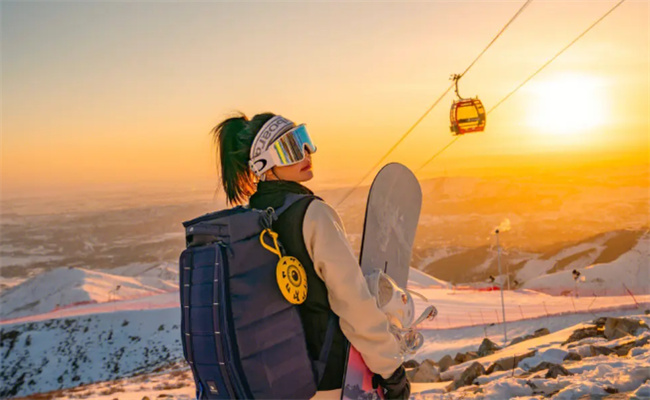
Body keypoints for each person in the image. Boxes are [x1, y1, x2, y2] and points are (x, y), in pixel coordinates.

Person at [212, 112, 410, 399]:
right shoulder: (312, 213)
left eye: (303, 141)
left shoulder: (248, 220)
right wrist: (390, 367)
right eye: (290, 148)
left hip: (273, 377)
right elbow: (352, 301)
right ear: (262, 164)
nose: (305, 153)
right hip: (324, 377)